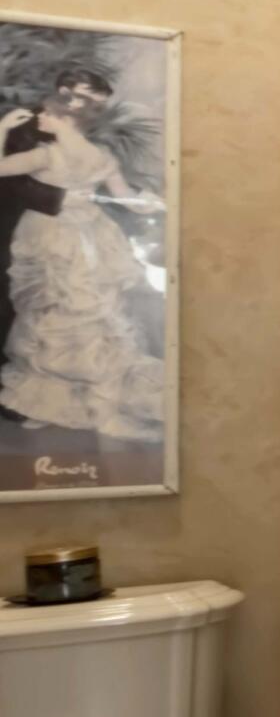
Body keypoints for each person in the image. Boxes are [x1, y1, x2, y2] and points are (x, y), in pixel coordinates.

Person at [0, 66, 166, 440]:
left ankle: (86, 406)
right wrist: (149, 204)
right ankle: (58, 401)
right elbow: (126, 197)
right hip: (71, 237)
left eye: (48, 113)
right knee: (70, 317)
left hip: (68, 237)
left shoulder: (54, 155)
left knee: (66, 318)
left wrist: (3, 128)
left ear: (62, 118)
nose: (41, 116)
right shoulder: (86, 155)